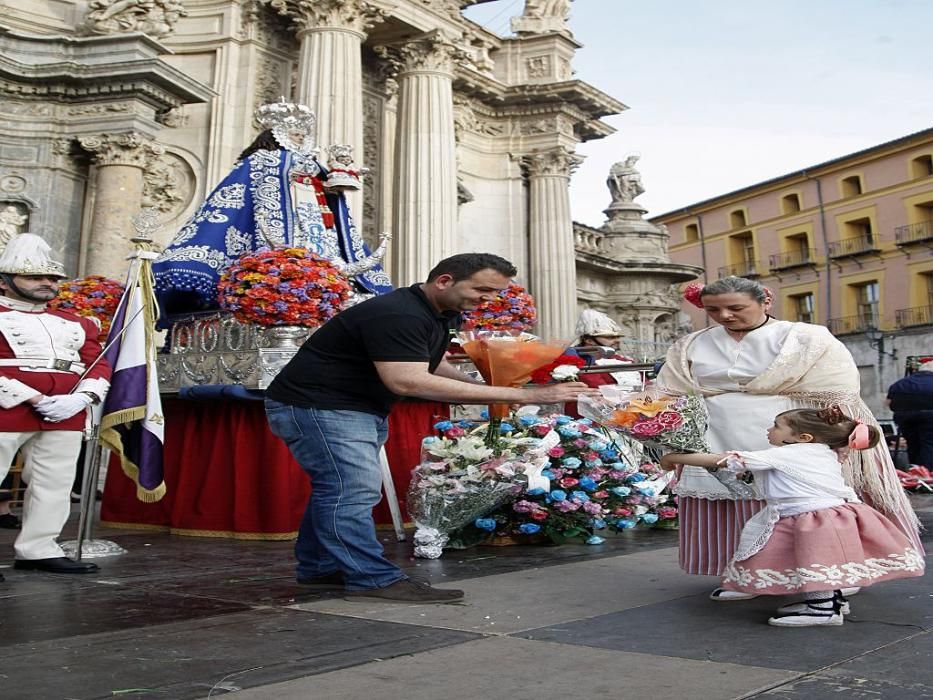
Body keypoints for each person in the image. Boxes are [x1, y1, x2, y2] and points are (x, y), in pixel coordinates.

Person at [264, 253, 599, 603]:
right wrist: (523, 393)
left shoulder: (437, 312)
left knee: (339, 489)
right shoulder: (400, 314)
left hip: (351, 407)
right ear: (444, 281)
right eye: (482, 289)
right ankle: (373, 579)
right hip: (320, 406)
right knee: (352, 491)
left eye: (495, 293)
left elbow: (430, 361)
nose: (488, 300)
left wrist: (489, 391)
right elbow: (406, 381)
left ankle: (319, 569)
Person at [656, 276, 923, 597]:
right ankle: (746, 576)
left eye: (735, 307)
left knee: (809, 507)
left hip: (795, 432)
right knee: (737, 508)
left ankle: (838, 571)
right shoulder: (690, 344)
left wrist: (838, 436)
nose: (724, 315)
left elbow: (838, 388)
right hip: (719, 430)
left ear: (765, 302)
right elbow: (668, 391)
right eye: (713, 310)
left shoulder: (805, 337)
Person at [660, 407, 923, 627]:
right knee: (807, 557)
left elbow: (722, 460)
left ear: (803, 437)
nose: (769, 430)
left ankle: (822, 609)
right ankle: (829, 600)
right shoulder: (821, 450)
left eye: (777, 426)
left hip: (812, 517)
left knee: (815, 558)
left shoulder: (791, 453)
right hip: (816, 513)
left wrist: (674, 457)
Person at [153, 99, 392, 317]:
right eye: (295, 134)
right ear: (278, 135)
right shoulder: (262, 161)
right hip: (284, 222)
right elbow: (241, 196)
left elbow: (332, 189)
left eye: (302, 134)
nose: (300, 138)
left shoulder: (314, 165)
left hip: (318, 221)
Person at [0, 234, 111, 577]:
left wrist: (82, 397)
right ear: (5, 281)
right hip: (7, 406)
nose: (46, 284)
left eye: (51, 278)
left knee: (54, 484)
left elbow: (98, 363)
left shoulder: (77, 322)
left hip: (65, 410)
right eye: (34, 277)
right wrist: (30, 397)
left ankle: (38, 548)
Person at [886, 357, 933, 468]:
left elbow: (889, 403)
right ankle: (927, 473)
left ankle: (914, 469)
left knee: (913, 444)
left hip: (904, 418)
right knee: (929, 444)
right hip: (930, 418)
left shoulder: (900, 384)